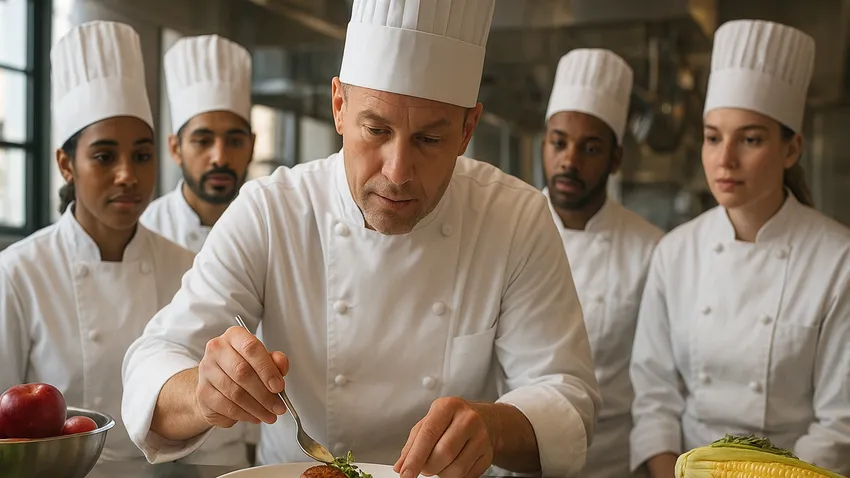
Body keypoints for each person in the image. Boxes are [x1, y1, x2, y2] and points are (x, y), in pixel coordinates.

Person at [121, 1, 601, 477]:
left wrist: (494, 428)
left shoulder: (514, 217)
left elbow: (566, 398)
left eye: (430, 141)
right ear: (339, 107)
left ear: (467, 129)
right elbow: (151, 364)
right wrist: (203, 392)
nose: (397, 173)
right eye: (376, 130)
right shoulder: (272, 211)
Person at [0, 21, 247, 466]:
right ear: (65, 164)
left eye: (142, 155)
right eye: (104, 156)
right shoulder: (18, 273)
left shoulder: (188, 267)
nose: (127, 174)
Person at [630, 19, 850, 478]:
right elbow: (654, 397)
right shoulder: (676, 253)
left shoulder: (837, 260)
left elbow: (838, 422)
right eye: (713, 137)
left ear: (792, 149)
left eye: (750, 139)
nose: (724, 159)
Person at [542, 49, 663, 478]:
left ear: (615, 159)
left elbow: (658, 385)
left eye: (590, 148)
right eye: (559, 142)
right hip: (516, 460)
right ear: (545, 143)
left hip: (609, 463)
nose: (569, 161)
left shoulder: (652, 250)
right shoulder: (508, 227)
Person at [140, 34, 255, 253]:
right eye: (203, 141)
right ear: (175, 148)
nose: (220, 157)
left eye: (234, 141)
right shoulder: (147, 229)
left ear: (252, 147)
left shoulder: (268, 226)